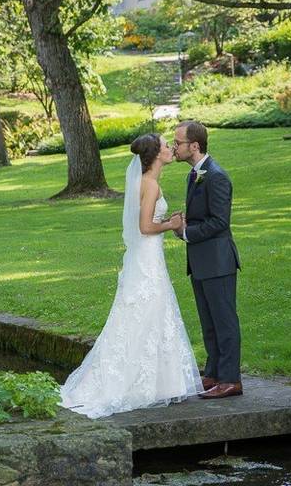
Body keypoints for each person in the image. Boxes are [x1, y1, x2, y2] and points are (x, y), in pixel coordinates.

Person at [59, 133, 203, 418]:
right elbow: (145, 228)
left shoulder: (145, 182)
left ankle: (160, 384)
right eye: (166, 146)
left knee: (147, 314)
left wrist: (164, 223)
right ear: (156, 155)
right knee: (149, 312)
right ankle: (144, 385)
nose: (171, 149)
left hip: (146, 258)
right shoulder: (150, 185)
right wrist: (171, 224)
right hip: (147, 259)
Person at [172, 120, 243, 399]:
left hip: (218, 262)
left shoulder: (216, 176)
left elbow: (219, 222)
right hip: (201, 262)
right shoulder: (194, 175)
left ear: (195, 146)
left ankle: (230, 379)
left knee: (224, 322)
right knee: (209, 322)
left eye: (178, 143)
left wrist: (186, 232)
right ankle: (213, 373)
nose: (174, 147)